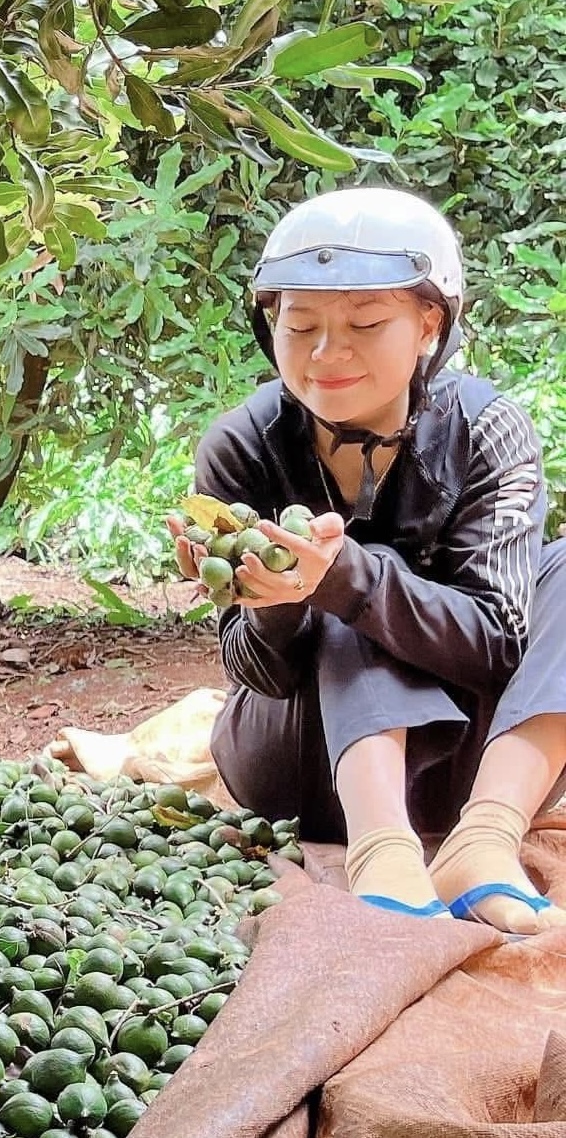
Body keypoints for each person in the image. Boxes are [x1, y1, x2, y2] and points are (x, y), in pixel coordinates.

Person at [173, 188, 546, 920]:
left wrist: (352, 579)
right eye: (299, 324)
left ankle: (487, 837)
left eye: (366, 323)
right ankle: (382, 852)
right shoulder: (239, 446)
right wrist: (283, 600)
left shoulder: (488, 432)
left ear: (430, 324)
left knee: (363, 568)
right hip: (303, 769)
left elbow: (502, 646)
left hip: (463, 768)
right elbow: (254, 674)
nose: (325, 353)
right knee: (341, 564)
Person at [427, 540, 566, 932]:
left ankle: (487, 830)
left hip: (475, 759)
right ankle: (380, 845)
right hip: (328, 753)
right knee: (366, 564)